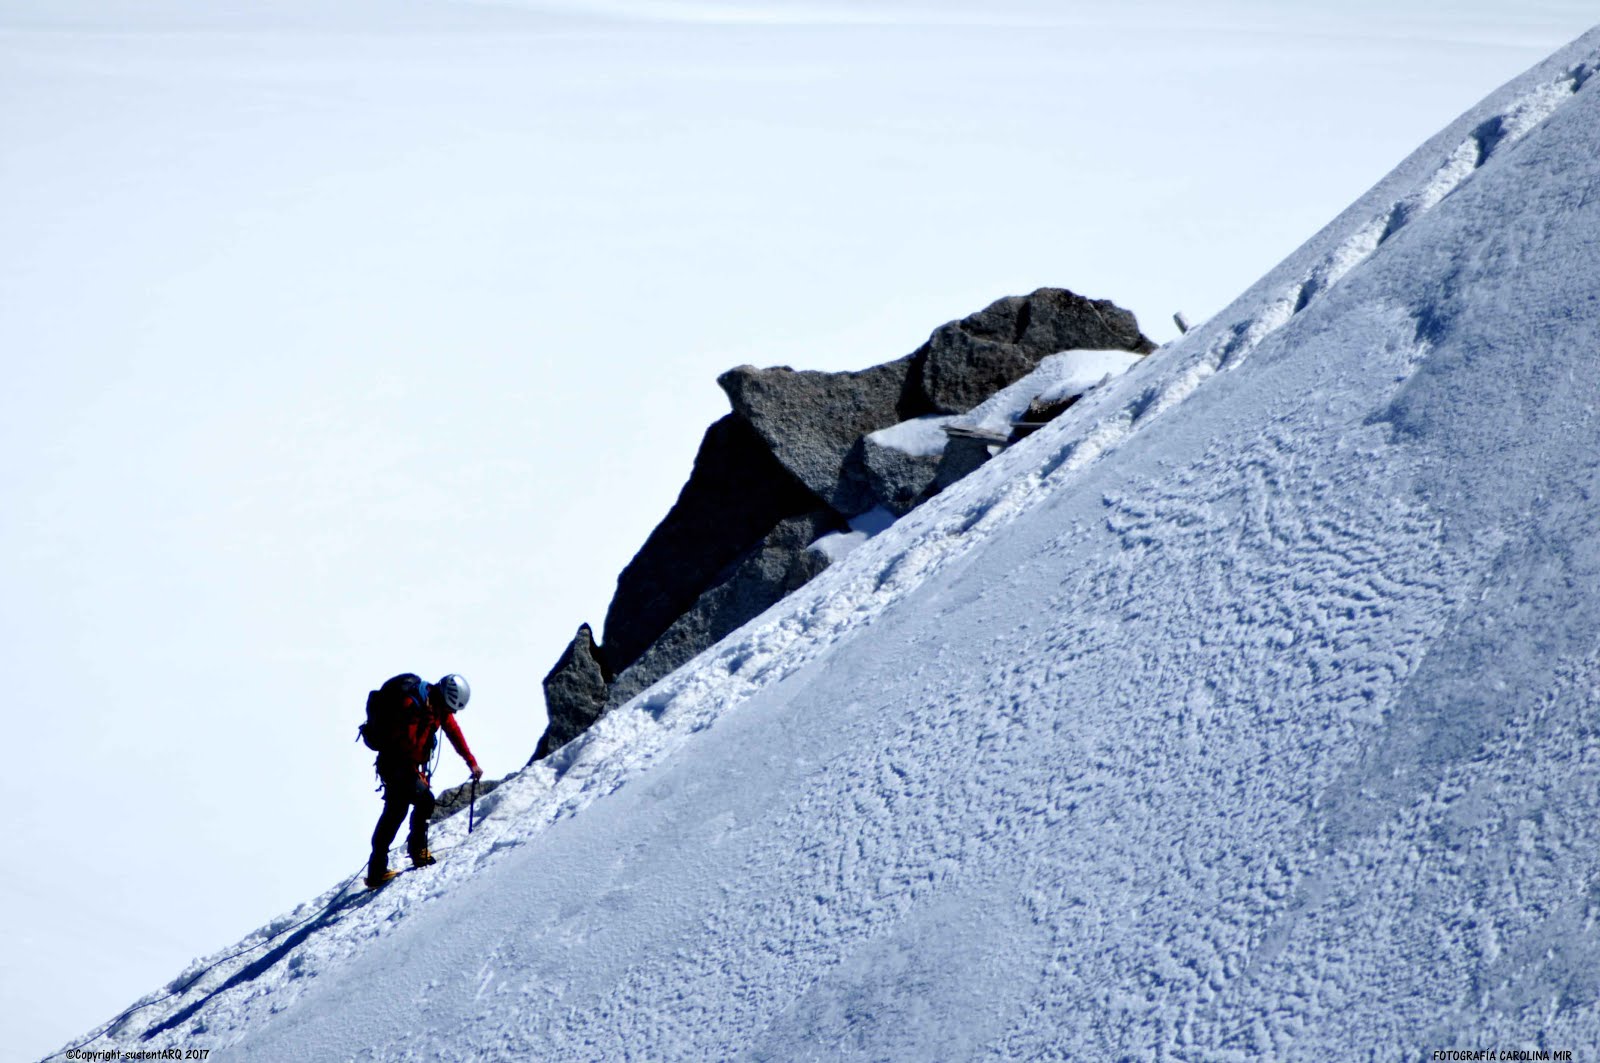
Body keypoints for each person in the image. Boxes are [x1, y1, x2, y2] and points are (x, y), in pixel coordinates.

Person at [366, 673, 483, 889]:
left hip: (399, 767)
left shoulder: (437, 707)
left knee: (395, 812)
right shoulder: (412, 705)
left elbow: (454, 732)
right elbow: (406, 743)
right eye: (452, 707)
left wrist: (471, 762)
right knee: (424, 801)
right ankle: (417, 852)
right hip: (396, 765)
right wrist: (426, 728)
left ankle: (376, 872)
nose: (452, 713)